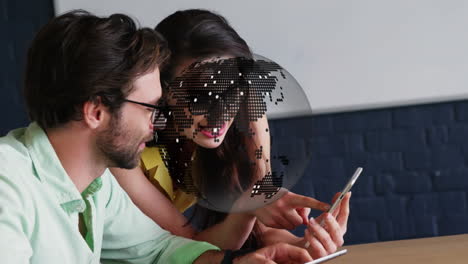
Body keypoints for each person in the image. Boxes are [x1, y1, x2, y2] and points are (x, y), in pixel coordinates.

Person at [0, 10, 316, 263]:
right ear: (96, 112)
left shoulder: (99, 187)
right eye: (150, 106)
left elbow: (162, 251)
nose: (158, 120)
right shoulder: (8, 186)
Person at [112, 9, 351, 259]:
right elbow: (186, 250)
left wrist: (307, 244)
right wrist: (248, 208)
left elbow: (264, 230)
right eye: (200, 96)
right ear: (164, 90)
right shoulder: (126, 150)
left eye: (232, 89)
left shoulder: (248, 119)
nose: (221, 113)